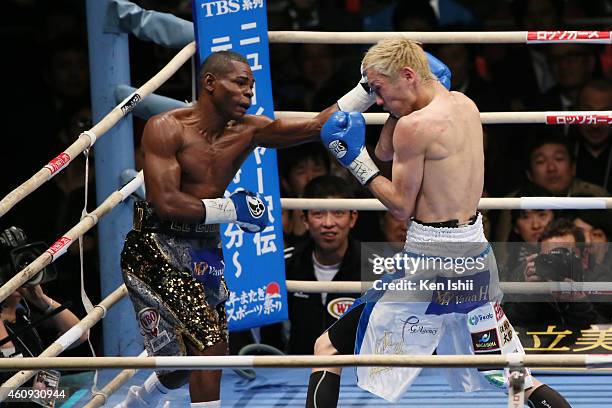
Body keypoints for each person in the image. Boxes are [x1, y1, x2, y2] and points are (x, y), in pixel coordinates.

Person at [308, 38, 572, 407]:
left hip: (429, 264)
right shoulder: (465, 105)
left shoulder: (416, 128)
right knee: (508, 373)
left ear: (407, 75)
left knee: (326, 349)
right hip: (475, 257)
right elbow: (387, 150)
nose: (378, 101)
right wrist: (397, 107)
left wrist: (355, 161)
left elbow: (400, 206)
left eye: (380, 90)